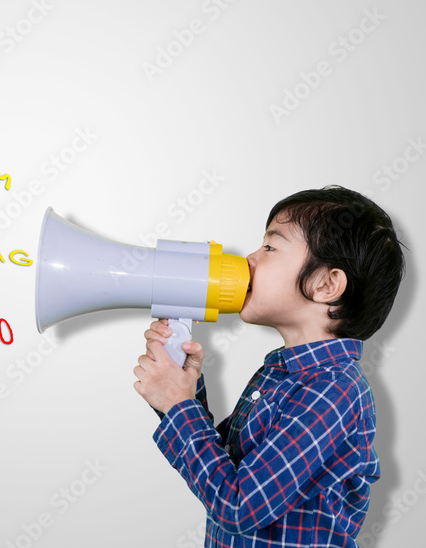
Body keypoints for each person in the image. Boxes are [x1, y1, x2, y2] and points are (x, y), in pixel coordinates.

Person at [133, 186, 406, 547]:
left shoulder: (334, 390)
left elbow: (239, 506)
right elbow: (224, 466)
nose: (249, 257)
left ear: (326, 284)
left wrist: (178, 406)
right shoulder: (281, 375)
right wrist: (181, 387)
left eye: (270, 247)